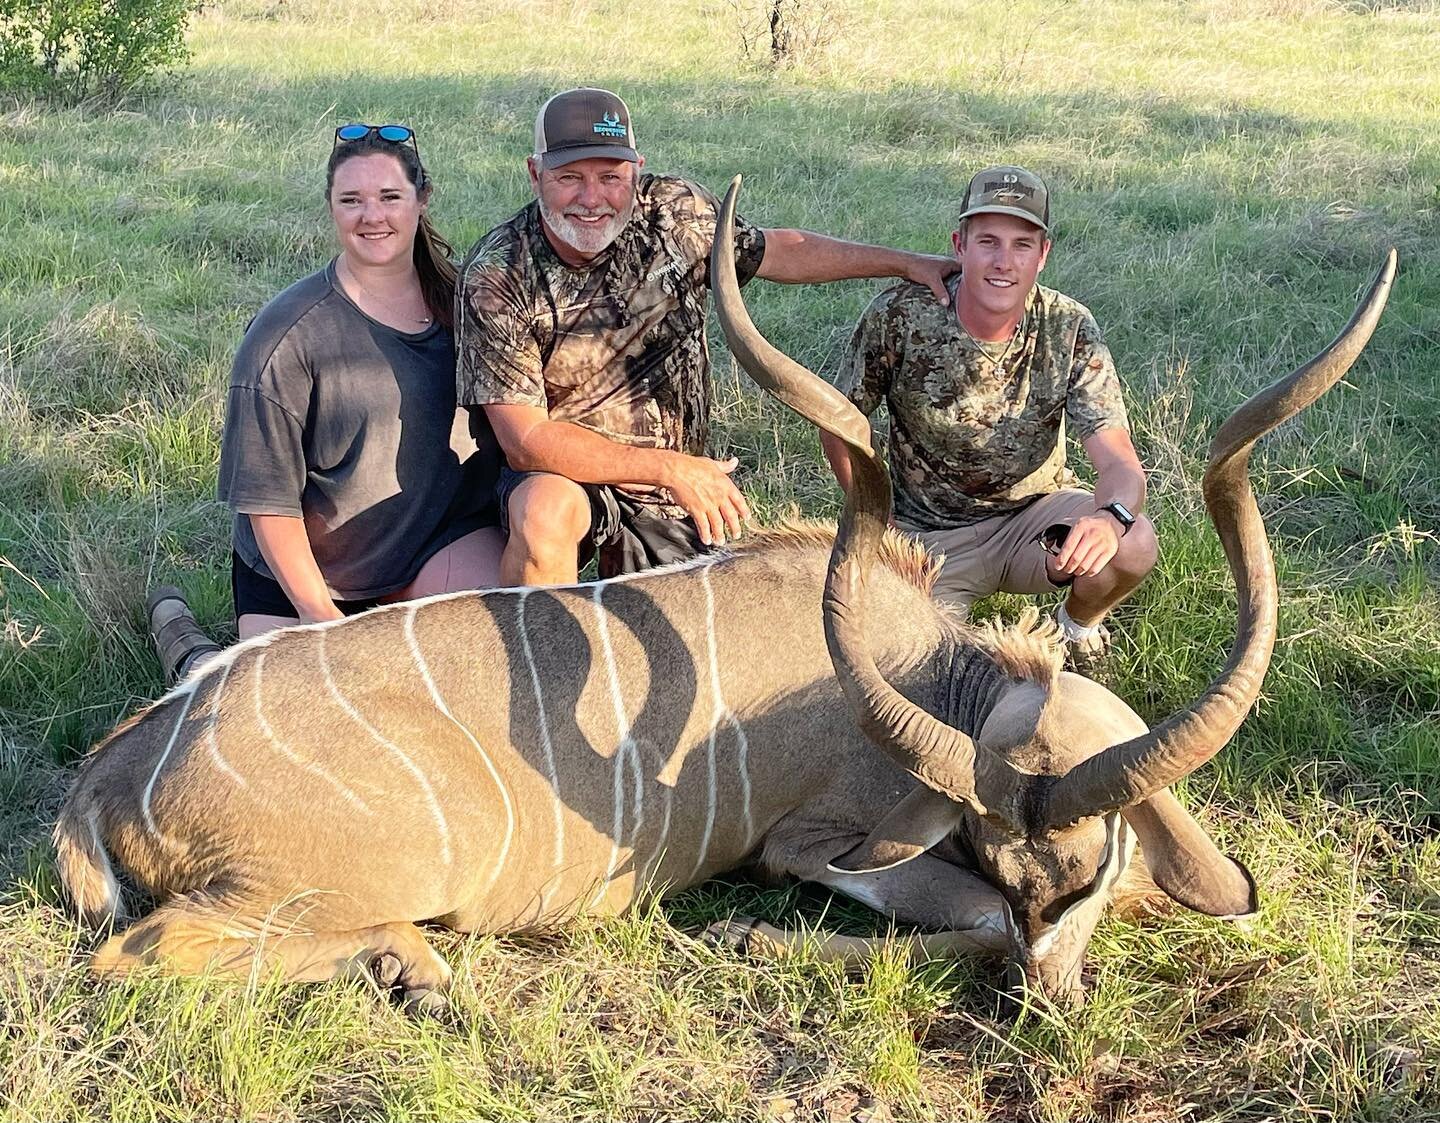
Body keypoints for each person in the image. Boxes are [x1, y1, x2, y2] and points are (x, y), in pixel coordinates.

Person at [456, 87, 961, 585]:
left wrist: (905, 262)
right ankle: (534, 661)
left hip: (669, 490)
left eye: (611, 177)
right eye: (569, 178)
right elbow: (527, 441)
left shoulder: (675, 212)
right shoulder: (499, 274)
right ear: (534, 173)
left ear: (636, 170)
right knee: (544, 514)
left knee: (714, 626)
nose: (592, 199)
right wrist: (670, 469)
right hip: (570, 474)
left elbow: (776, 251)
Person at [150, 123, 504, 682]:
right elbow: (268, 503)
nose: (373, 216)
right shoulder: (284, 337)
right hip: (317, 573)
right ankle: (193, 655)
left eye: (390, 197)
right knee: (275, 716)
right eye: (352, 201)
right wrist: (321, 620)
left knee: (473, 675)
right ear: (330, 208)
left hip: (435, 545)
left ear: (422, 199)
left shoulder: (471, 307)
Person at [821, 165, 1157, 671]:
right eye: (988, 242)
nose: (1004, 262)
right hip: (924, 538)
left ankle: (1076, 629)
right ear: (959, 244)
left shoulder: (1069, 326)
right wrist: (873, 515)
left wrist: (1110, 519)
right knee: (911, 669)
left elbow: (1119, 462)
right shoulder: (900, 316)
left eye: (1022, 244)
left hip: (1034, 522)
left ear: (1043, 255)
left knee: (1135, 543)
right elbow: (839, 424)